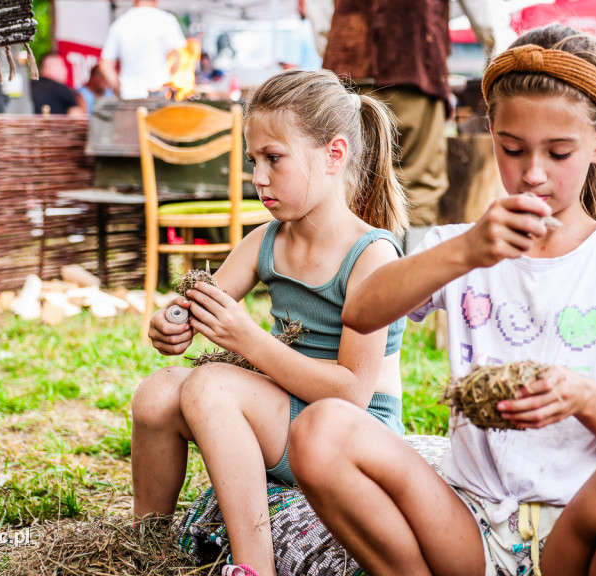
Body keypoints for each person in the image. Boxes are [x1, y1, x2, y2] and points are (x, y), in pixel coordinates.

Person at [288, 23, 596, 576]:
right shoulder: (463, 248)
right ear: (492, 135)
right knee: (320, 430)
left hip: (578, 527)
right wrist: (466, 252)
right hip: (467, 526)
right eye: (512, 149)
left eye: (558, 152)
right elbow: (360, 311)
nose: (532, 174)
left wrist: (580, 395)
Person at [132, 68, 410, 576]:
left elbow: (351, 393)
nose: (258, 177)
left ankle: (252, 567)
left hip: (352, 434)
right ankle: (145, 548)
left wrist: (250, 341)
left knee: (212, 384)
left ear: (334, 155)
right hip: (287, 415)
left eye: (274, 160)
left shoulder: (371, 257)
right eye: (254, 160)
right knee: (156, 395)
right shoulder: (266, 240)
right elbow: (201, 302)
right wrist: (170, 322)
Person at [319, 0, 497, 251]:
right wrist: (495, 49)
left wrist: (337, 52)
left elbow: (320, 12)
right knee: (418, 188)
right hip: (414, 63)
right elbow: (481, 10)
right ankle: (412, 279)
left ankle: (347, 278)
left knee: (348, 184)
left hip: (350, 71)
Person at [98, 0, 187, 99]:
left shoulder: (120, 24)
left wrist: (119, 89)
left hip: (129, 95)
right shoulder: (166, 20)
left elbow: (105, 66)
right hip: (160, 94)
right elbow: (181, 58)